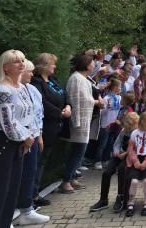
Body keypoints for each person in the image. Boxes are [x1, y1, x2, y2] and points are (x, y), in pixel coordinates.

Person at [0, 50, 34, 228]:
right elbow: (7, 123)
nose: (21, 64)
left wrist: (29, 135)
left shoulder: (22, 88)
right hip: (3, 141)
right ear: (5, 67)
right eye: (16, 61)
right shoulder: (2, 90)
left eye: (22, 60)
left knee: (11, 191)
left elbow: (27, 116)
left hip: (18, 141)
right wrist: (26, 137)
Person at [30, 53, 70, 206]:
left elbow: (64, 95)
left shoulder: (53, 80)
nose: (55, 66)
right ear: (44, 65)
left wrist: (68, 106)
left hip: (56, 126)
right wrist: (60, 113)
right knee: (38, 160)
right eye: (52, 63)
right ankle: (32, 194)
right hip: (45, 126)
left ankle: (35, 191)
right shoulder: (37, 82)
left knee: (43, 159)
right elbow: (42, 103)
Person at [15, 60, 50, 226]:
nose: (32, 74)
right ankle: (10, 212)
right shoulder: (10, 90)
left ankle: (27, 209)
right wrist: (24, 136)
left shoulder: (32, 89)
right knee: (16, 176)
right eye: (29, 71)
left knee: (30, 172)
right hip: (19, 139)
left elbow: (38, 114)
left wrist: (39, 135)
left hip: (33, 136)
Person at [60, 54, 98, 194]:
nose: (94, 65)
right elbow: (75, 100)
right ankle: (66, 181)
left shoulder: (83, 79)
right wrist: (96, 102)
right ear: (86, 64)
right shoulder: (76, 78)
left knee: (79, 152)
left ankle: (72, 177)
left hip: (84, 120)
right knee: (77, 151)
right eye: (92, 63)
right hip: (78, 121)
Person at [89, 112, 139, 213]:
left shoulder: (138, 133)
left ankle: (120, 197)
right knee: (106, 173)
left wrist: (125, 154)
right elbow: (117, 143)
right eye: (127, 126)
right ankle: (103, 200)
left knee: (121, 170)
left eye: (131, 126)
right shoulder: (124, 131)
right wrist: (116, 152)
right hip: (119, 155)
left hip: (130, 157)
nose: (129, 128)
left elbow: (137, 148)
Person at [125, 109, 146, 217]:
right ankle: (131, 203)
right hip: (136, 159)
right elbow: (130, 148)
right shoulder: (134, 133)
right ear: (143, 121)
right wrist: (135, 161)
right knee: (134, 181)